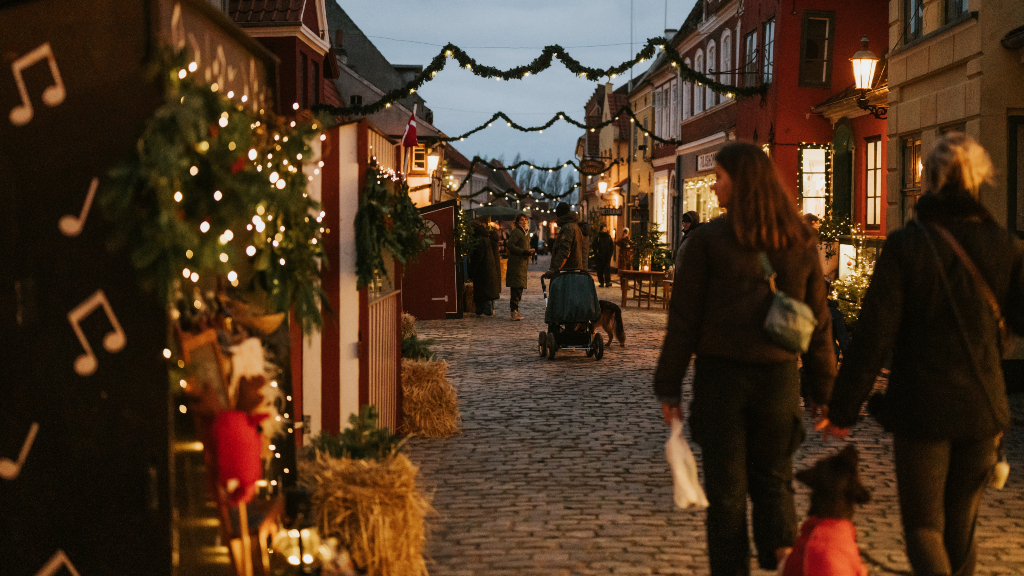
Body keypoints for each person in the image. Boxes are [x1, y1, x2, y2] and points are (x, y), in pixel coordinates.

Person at [824, 133, 1024, 576]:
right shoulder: (1006, 245)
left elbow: (874, 336)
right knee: (961, 529)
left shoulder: (907, 245)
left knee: (923, 528)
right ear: (979, 180)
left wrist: (842, 409)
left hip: (922, 408)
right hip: (983, 408)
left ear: (928, 179)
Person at [654, 142, 836, 576]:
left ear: (741, 182)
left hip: (721, 382)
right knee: (775, 483)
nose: (714, 187)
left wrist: (669, 385)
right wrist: (823, 390)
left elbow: (684, 321)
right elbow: (818, 321)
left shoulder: (707, 242)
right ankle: (782, 562)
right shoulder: (799, 240)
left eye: (719, 178)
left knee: (728, 493)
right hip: (777, 380)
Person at [468, 217, 500, 316]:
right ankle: (481, 309)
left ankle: (485, 309)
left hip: (482, 269)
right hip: (487, 267)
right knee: (484, 289)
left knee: (482, 289)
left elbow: (478, 256)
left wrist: (472, 269)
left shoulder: (479, 238)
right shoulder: (485, 236)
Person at [505, 214, 535, 321]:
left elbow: (523, 246)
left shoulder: (526, 233)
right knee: (516, 287)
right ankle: (514, 311)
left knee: (520, 287)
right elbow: (510, 245)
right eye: (522, 220)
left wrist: (528, 252)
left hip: (522, 264)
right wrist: (524, 252)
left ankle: (516, 310)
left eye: (526, 220)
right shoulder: (517, 232)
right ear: (518, 222)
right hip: (516, 264)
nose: (524, 221)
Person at [544, 202, 586, 275]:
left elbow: (564, 250)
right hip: (573, 269)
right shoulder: (574, 226)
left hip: (568, 271)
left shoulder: (568, 228)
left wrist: (555, 269)